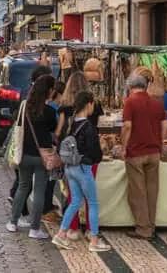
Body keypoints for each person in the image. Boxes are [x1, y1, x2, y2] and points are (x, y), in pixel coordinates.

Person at [52, 91, 111, 252]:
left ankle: (61, 234)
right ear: (89, 104)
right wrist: (97, 156)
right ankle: (94, 240)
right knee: (92, 203)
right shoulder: (89, 127)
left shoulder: (72, 124)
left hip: (70, 168)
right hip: (83, 169)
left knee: (75, 201)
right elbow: (95, 153)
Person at [7, 75, 56, 240]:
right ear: (48, 91)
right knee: (39, 190)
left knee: (22, 186)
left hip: (24, 154)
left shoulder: (23, 106)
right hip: (43, 156)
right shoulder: (49, 112)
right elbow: (53, 130)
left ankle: (13, 222)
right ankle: (34, 229)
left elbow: (16, 120)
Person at [121, 74, 167, 240]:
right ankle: (151, 225)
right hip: (154, 152)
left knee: (138, 192)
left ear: (130, 86)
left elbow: (127, 126)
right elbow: (165, 126)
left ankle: (143, 229)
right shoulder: (157, 103)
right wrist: (159, 143)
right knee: (152, 190)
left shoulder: (130, 102)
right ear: (145, 86)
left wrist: (123, 146)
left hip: (136, 152)